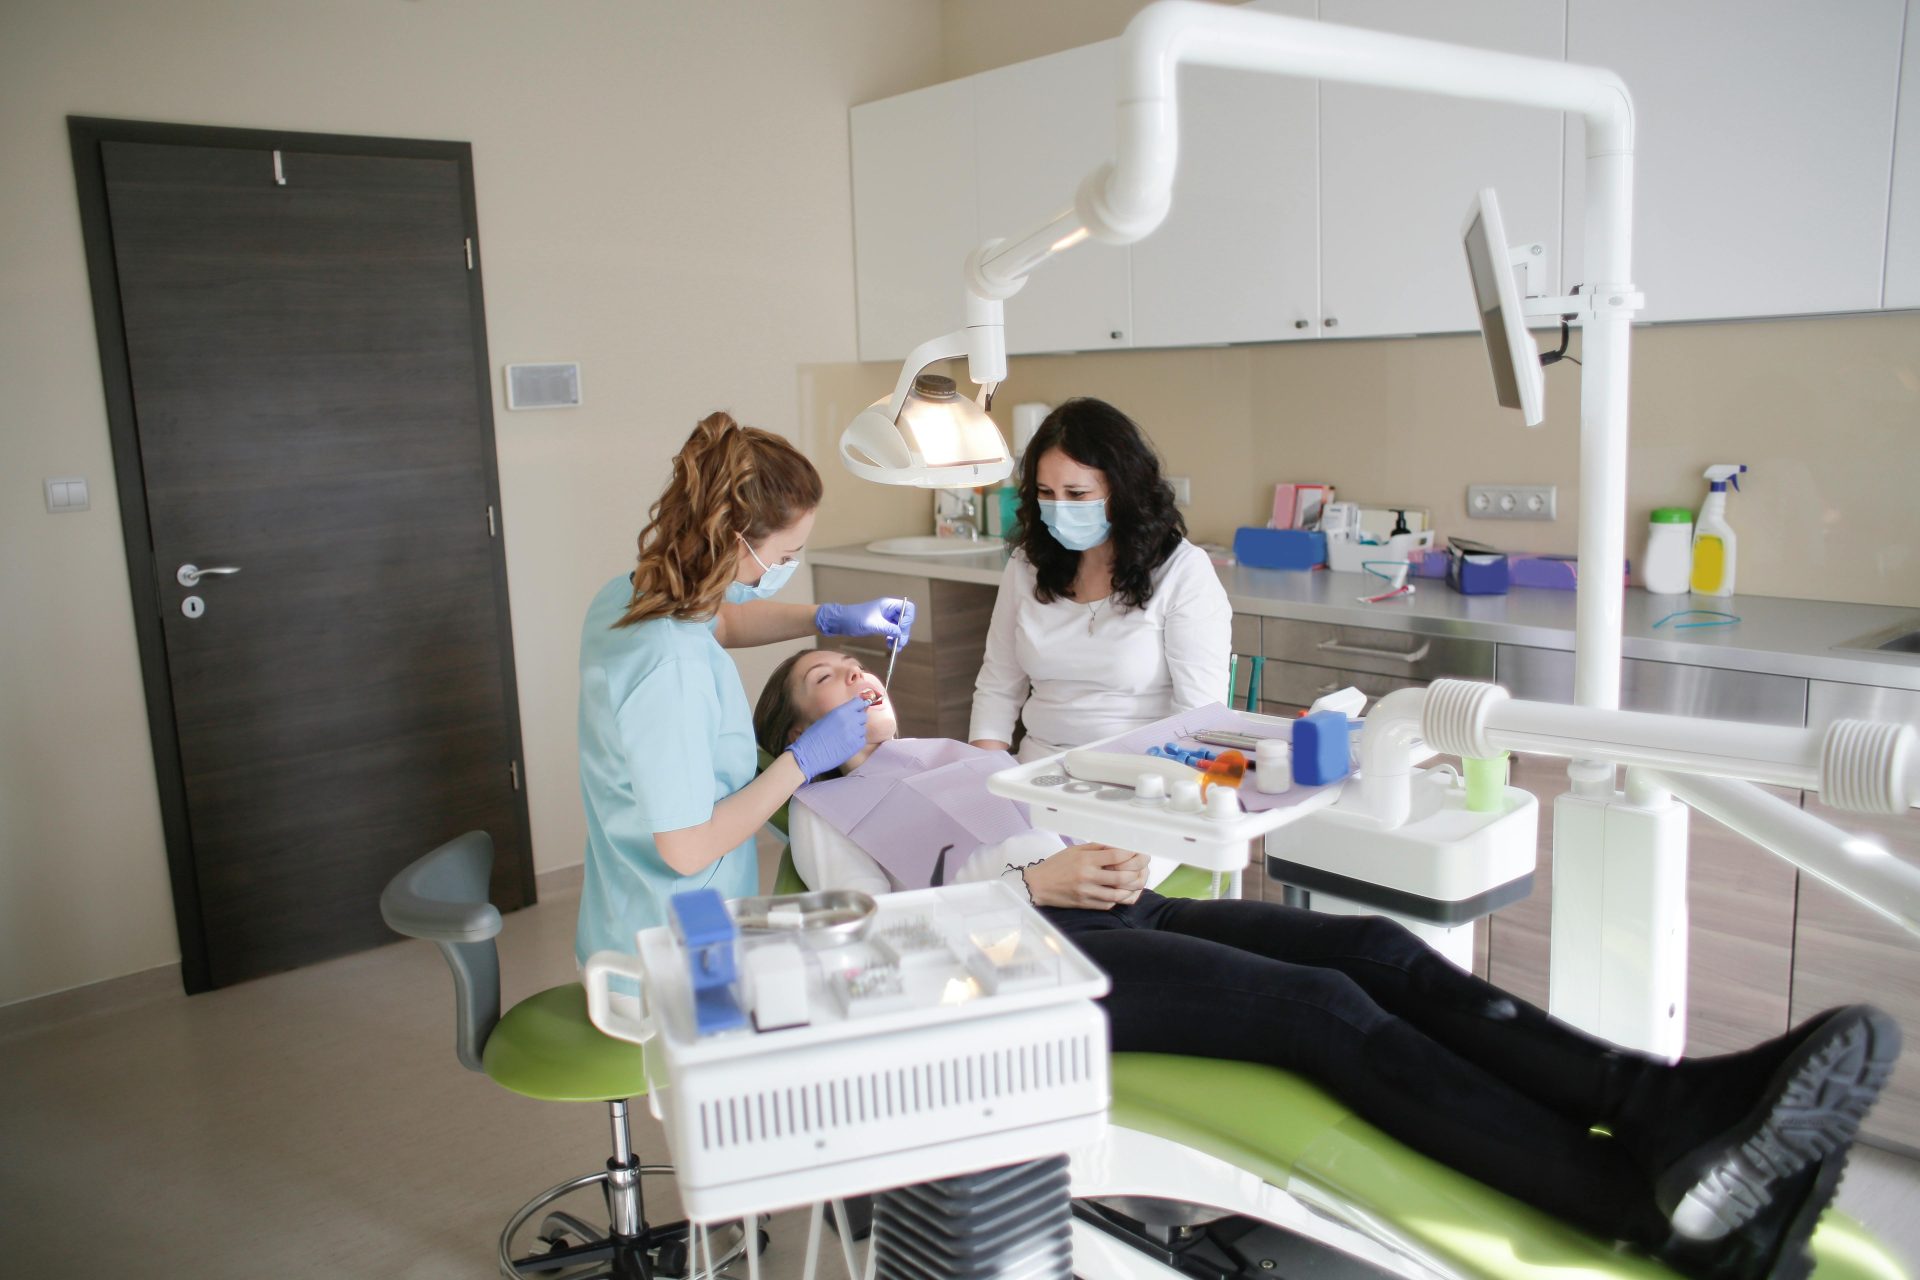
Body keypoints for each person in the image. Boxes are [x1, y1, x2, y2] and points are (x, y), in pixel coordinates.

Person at [756, 648, 1899, 1280]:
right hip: (1017, 963)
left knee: (1370, 946)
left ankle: (1668, 1104)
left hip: (1123, 909)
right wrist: (1028, 889)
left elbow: (1050, 808)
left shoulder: (955, 747)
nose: (854, 678)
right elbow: (878, 940)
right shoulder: (820, 807)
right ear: (791, 731)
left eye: (858, 665)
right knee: (1316, 1009)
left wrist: (1110, 838)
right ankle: (1645, 1212)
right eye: (822, 678)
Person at [574, 411, 919, 969]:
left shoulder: (632, 595)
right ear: (736, 541)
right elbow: (685, 850)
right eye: (783, 558)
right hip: (674, 947)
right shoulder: (669, 670)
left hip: (627, 907)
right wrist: (801, 764)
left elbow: (725, 622)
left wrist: (832, 618)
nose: (786, 566)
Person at [969, 398, 1231, 762]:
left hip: (1144, 773)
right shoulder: (1026, 565)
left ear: (1122, 490)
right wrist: (981, 773)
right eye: (1046, 493)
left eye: (1077, 494)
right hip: (1038, 770)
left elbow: (1199, 718)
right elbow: (998, 685)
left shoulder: (1183, 571)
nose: (1059, 507)